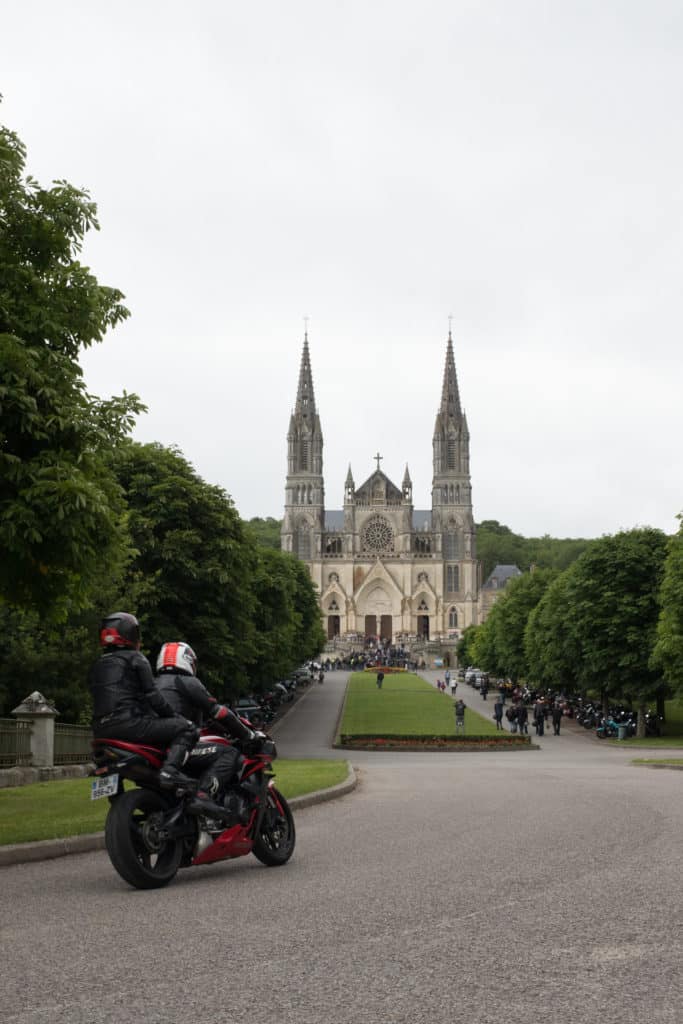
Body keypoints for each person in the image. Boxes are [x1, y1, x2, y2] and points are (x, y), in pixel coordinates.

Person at [89, 612, 198, 788]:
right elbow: (153, 696)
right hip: (130, 725)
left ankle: (119, 797)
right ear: (130, 634)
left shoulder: (97, 664)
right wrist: (174, 717)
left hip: (100, 730)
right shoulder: (136, 658)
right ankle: (170, 771)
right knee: (188, 729)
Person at [154, 641, 261, 802]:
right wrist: (247, 735)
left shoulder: (153, 684)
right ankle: (204, 795)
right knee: (230, 753)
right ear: (187, 660)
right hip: (177, 744)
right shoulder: (186, 681)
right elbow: (219, 712)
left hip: (154, 745)